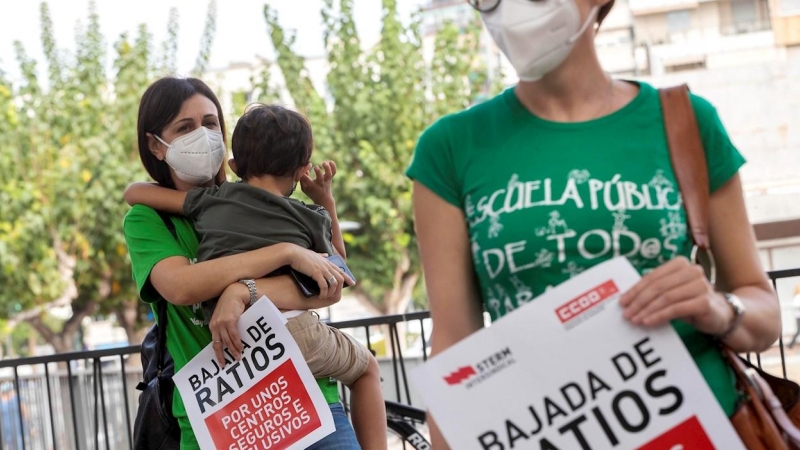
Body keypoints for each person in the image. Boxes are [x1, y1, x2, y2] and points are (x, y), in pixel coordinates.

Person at [406, 0, 781, 447]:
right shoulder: (450, 148)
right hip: (549, 432)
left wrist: (720, 309)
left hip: (702, 428)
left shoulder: (686, 121)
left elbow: (764, 312)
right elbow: (455, 349)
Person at [124, 103, 387, 449]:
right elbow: (338, 270)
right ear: (302, 168)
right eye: (185, 128)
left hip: (260, 367)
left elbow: (132, 193)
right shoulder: (306, 215)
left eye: (210, 124)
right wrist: (322, 208)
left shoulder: (211, 201)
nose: (201, 136)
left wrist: (241, 291)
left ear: (233, 163)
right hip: (286, 346)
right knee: (366, 368)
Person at [788, 285, 800, 349]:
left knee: (798, 331)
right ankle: (790, 345)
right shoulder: (798, 297)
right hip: (799, 317)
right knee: (798, 331)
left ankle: (790, 345)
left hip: (798, 316)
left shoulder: (796, 297)